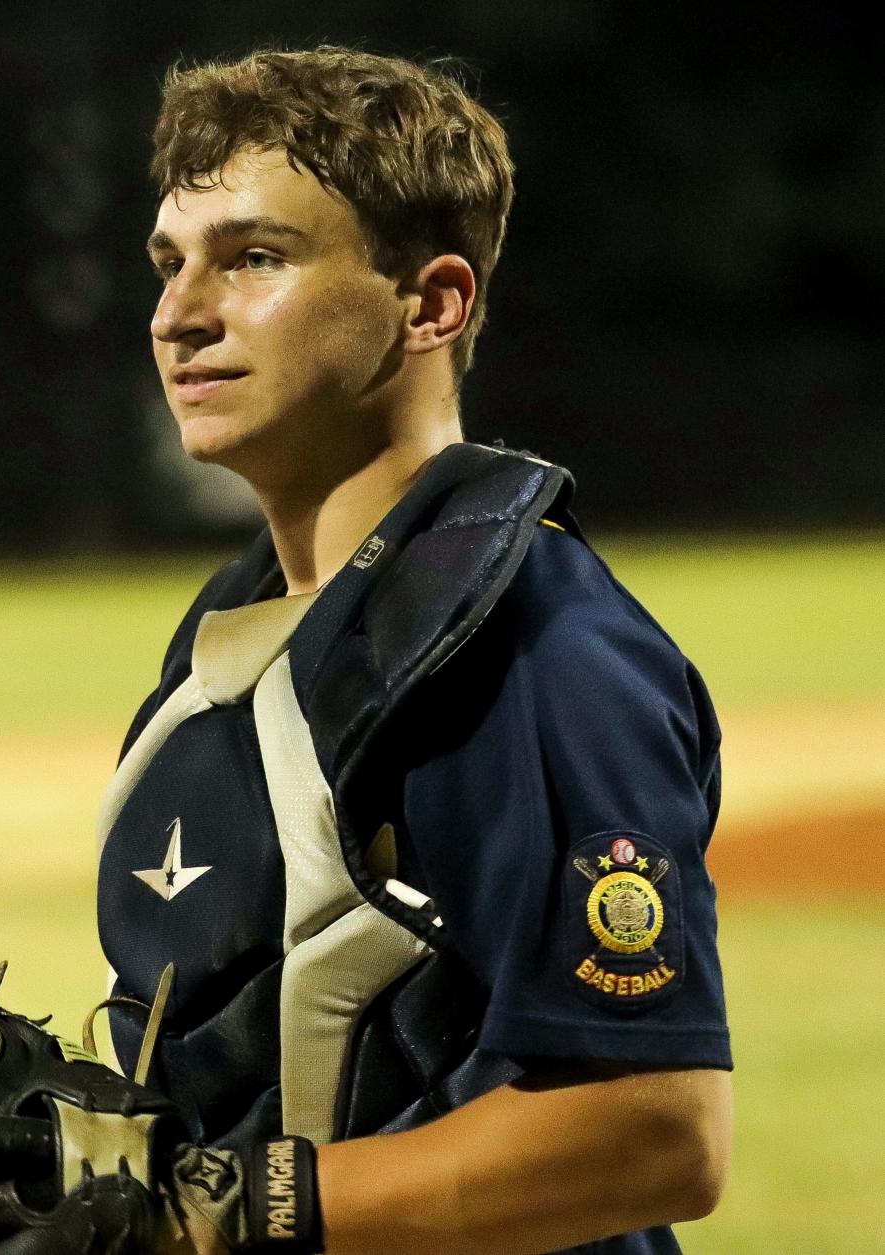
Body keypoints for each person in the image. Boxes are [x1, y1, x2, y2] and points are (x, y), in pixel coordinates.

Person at [96, 47, 732, 1255]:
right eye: (171, 263)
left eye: (254, 259)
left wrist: (209, 1216)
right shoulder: (234, 637)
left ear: (431, 303)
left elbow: (657, 1130)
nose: (179, 313)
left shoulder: (529, 645)